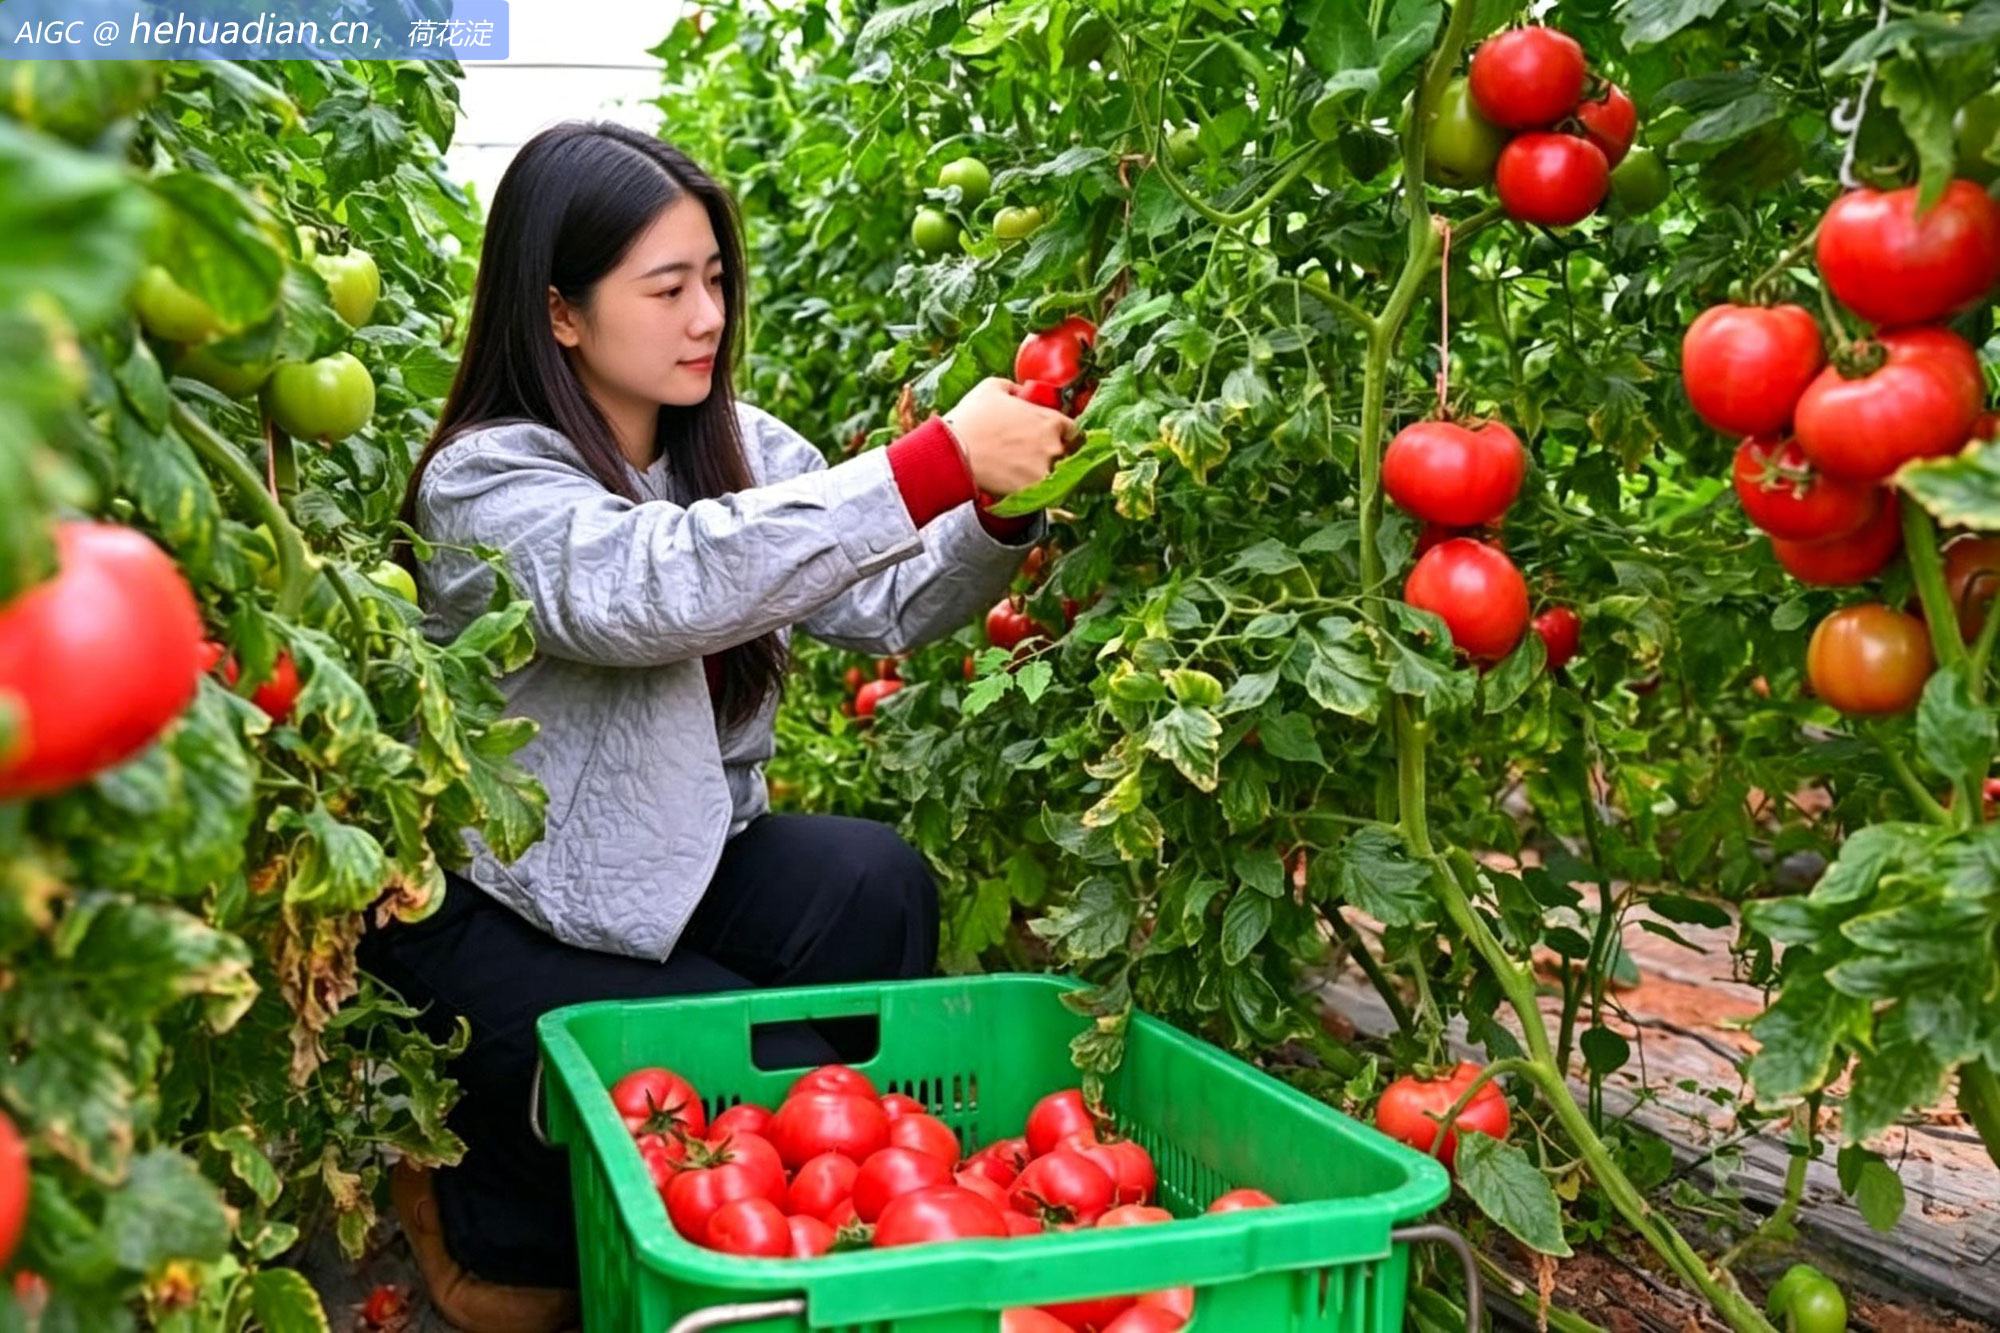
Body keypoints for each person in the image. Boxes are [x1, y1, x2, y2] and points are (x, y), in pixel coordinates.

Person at [358, 120, 1074, 1332]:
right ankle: (499, 1231)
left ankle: (818, 1203)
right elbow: (645, 584)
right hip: (514, 897)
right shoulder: (482, 482)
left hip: (677, 859)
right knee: (681, 1057)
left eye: (716, 280)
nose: (707, 315)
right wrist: (927, 461)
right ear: (560, 314)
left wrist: (994, 510)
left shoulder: (733, 445)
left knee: (870, 881)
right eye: (669, 286)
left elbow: (887, 595)